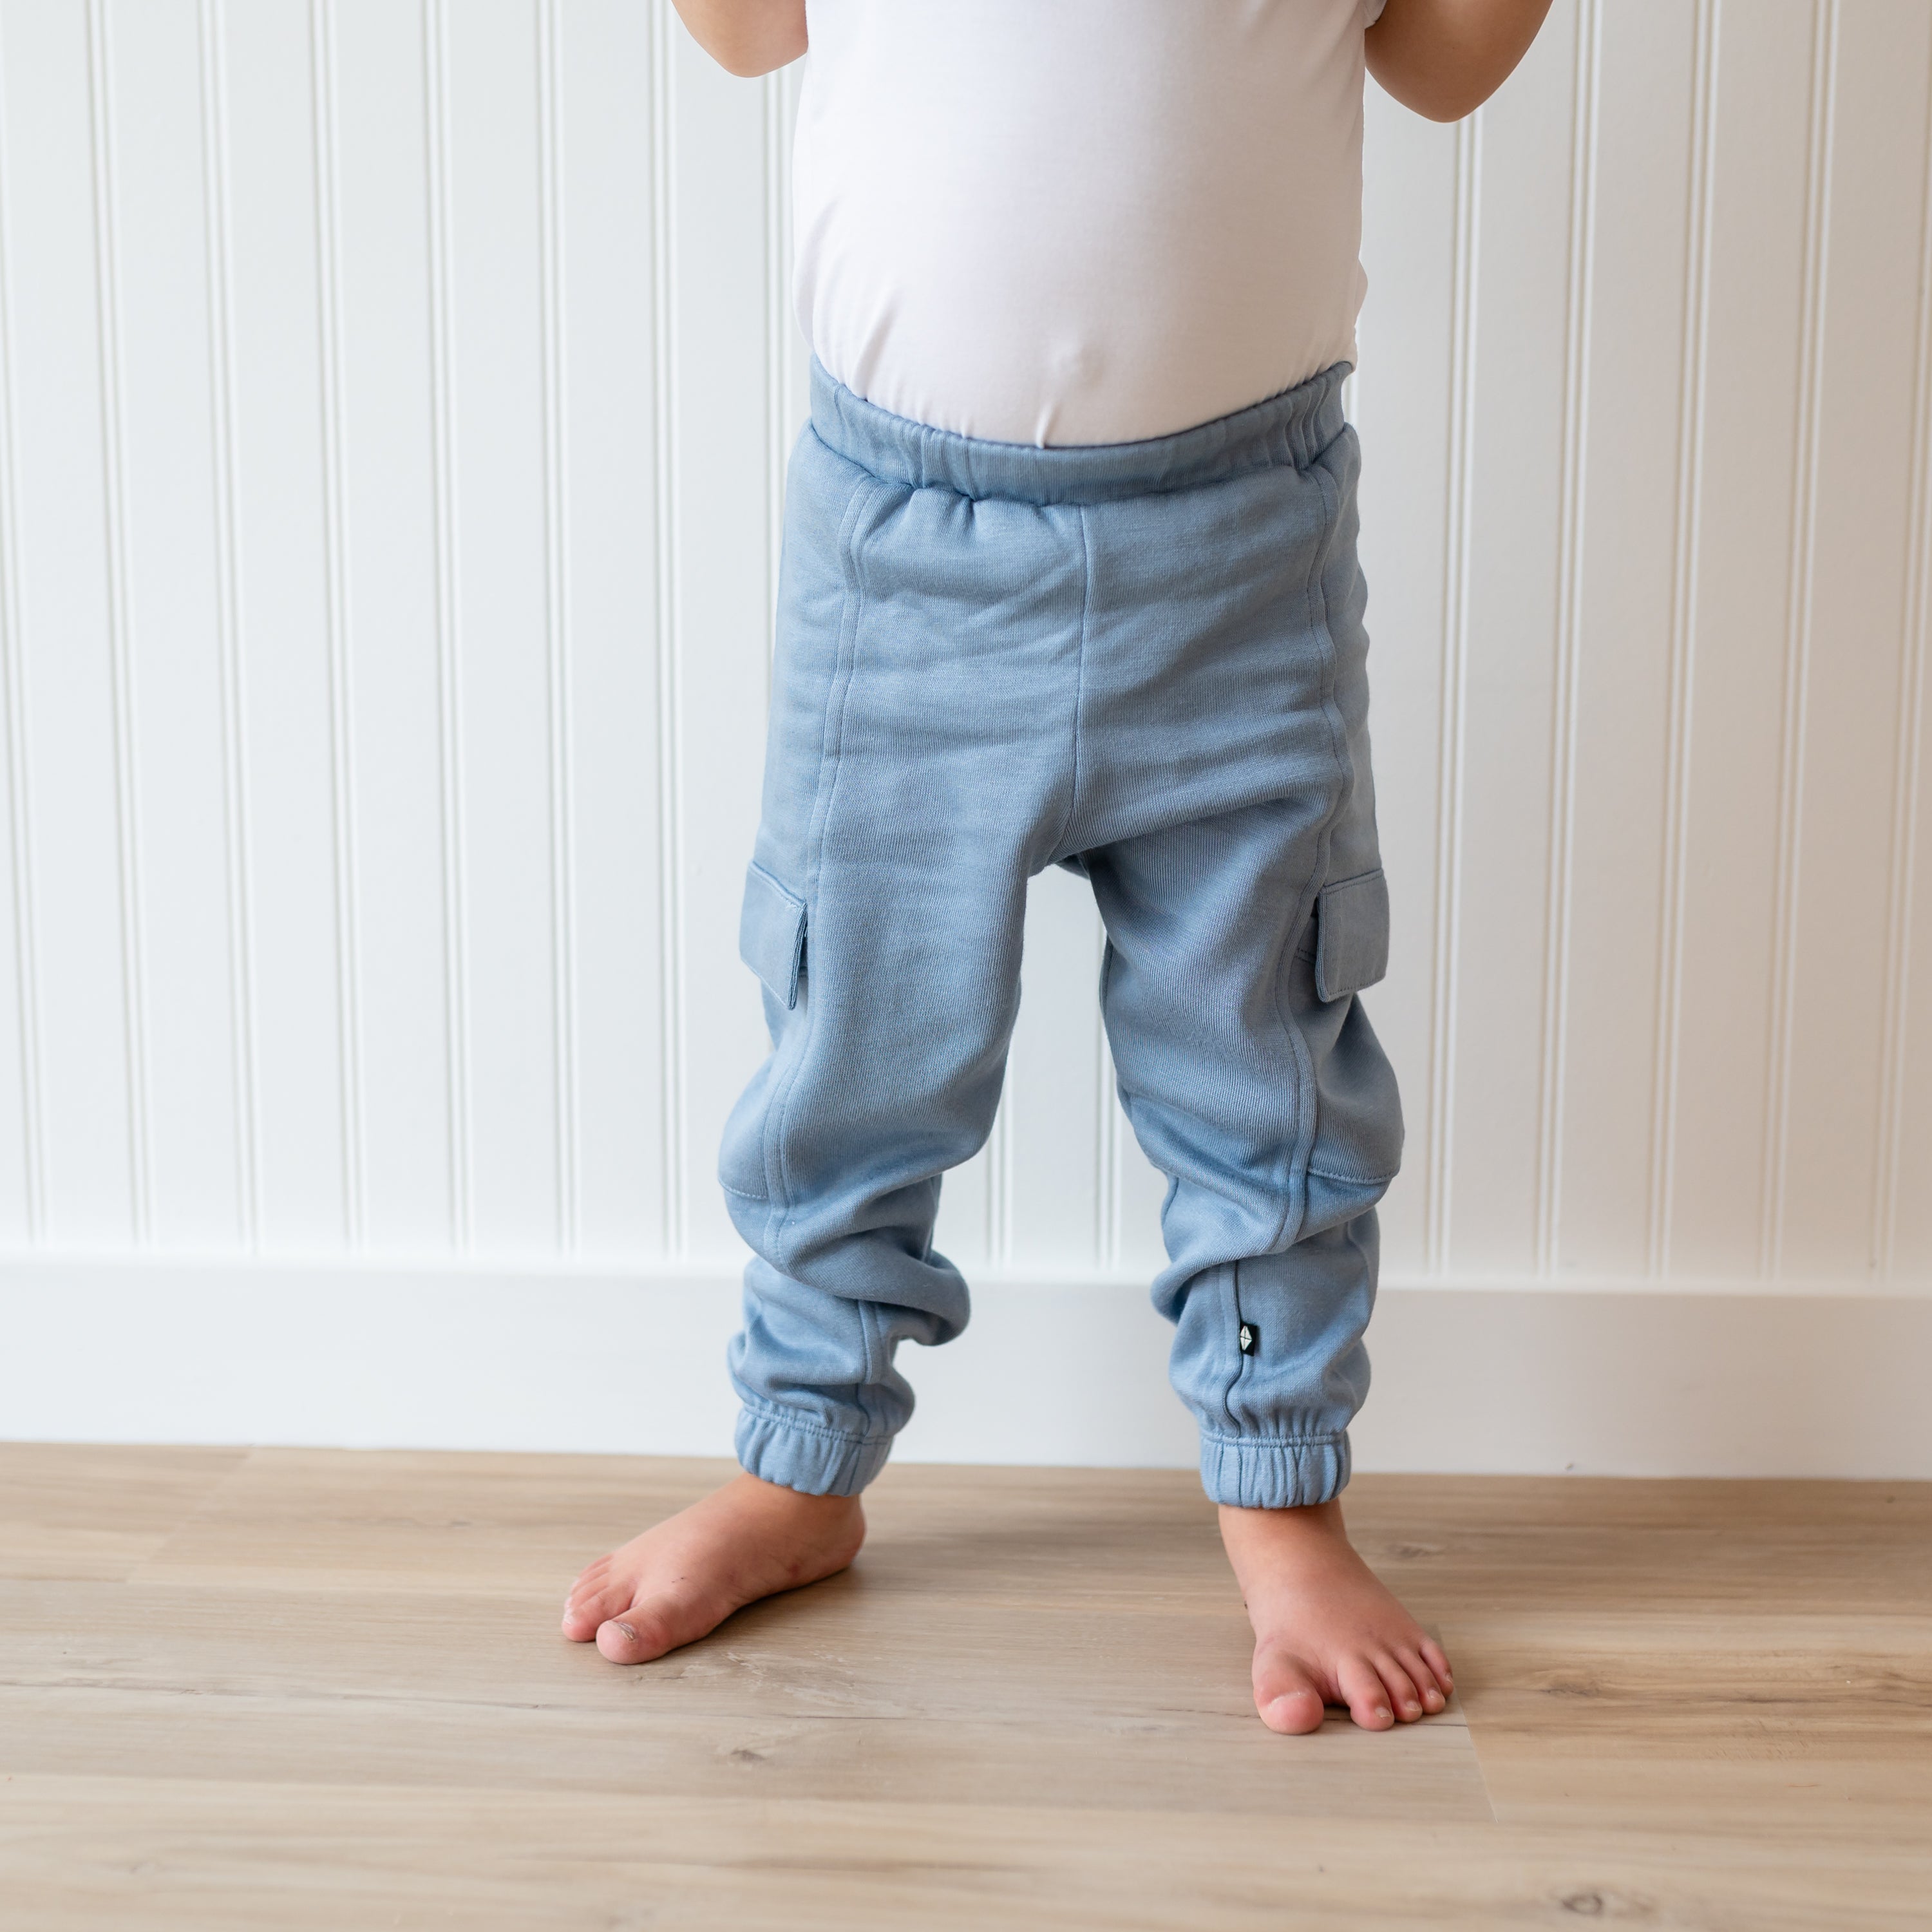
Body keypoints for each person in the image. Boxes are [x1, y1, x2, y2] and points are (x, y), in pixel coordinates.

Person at [565, 0, 1551, 1736]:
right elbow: (741, 33)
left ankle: (1281, 1496)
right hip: (900, 550)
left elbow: (1450, 58)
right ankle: (803, 1462)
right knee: (852, 1034)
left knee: (1265, 1044)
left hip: (1242, 547)